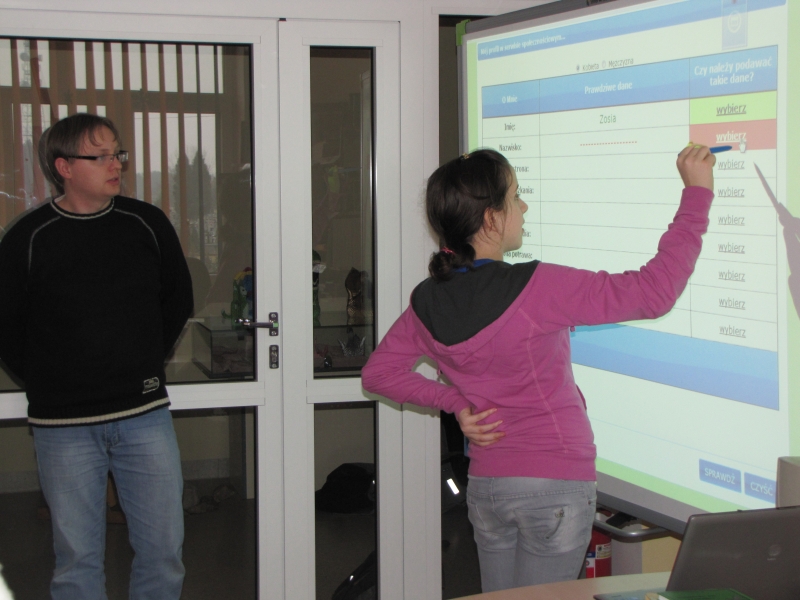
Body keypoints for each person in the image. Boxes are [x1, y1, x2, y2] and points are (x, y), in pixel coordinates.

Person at [361, 146, 715, 592]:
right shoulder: (537, 286)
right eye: (516, 196)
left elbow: (378, 374)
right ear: (491, 219)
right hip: (554, 486)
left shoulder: (427, 299)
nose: (524, 207)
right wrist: (697, 194)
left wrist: (454, 402)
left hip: (488, 487)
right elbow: (653, 292)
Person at [0, 113, 193, 599]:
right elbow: (5, 327)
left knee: (163, 552)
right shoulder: (28, 237)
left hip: (143, 416)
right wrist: (48, 379)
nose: (116, 164)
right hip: (63, 426)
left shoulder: (146, 223)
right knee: (77, 561)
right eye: (100, 156)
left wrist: (142, 359)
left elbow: (177, 300)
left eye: (117, 153)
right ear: (63, 167)